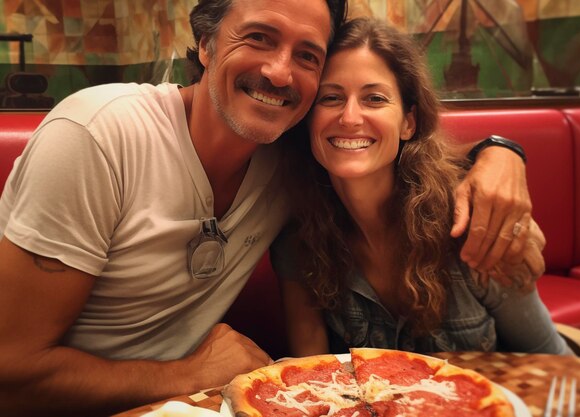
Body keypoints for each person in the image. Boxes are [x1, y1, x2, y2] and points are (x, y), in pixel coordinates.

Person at [0, 1, 532, 416]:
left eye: (307, 56)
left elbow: (396, 151)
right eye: (258, 38)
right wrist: (187, 374)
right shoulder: (97, 133)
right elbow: (9, 378)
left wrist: (501, 153)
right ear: (205, 42)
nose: (280, 73)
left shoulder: (289, 156)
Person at [272, 17, 572, 357]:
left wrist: (503, 151)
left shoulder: (471, 222)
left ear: (408, 122)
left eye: (374, 99)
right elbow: (311, 376)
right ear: (308, 119)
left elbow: (552, 362)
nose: (350, 118)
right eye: (330, 98)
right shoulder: (299, 241)